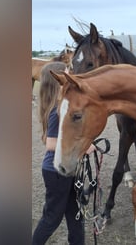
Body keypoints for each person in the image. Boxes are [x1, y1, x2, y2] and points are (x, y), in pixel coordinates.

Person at [32, 61, 95, 245]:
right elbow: (50, 143)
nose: (70, 76)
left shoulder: (59, 107)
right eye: (67, 73)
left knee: (75, 214)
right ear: (57, 80)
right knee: (52, 218)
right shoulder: (56, 111)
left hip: (66, 169)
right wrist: (84, 147)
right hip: (56, 172)